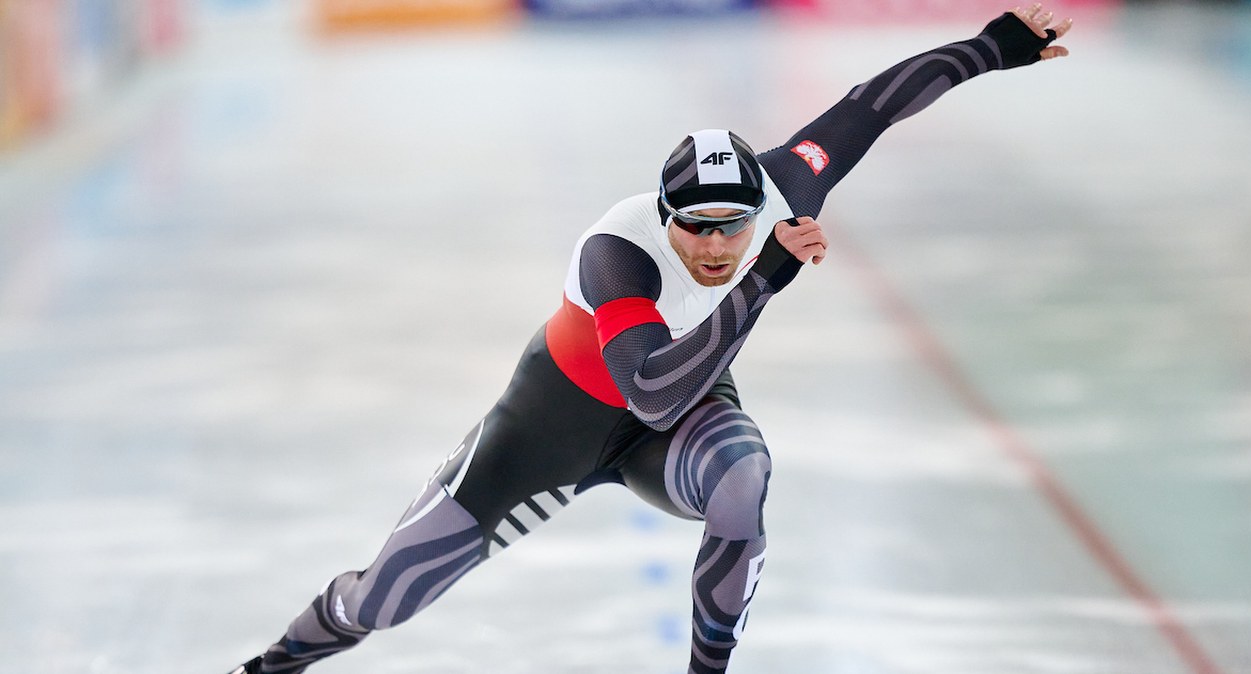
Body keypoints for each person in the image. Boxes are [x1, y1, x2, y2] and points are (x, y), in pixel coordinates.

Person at [228, 5, 1072, 673]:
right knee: (386, 598)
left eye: (734, 227)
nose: (716, 246)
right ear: (665, 216)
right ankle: (268, 667)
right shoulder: (617, 251)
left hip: (683, 408)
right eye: (696, 228)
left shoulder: (787, 187)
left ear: (762, 206)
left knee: (743, 475)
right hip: (551, 425)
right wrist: (765, 276)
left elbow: (876, 103)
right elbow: (651, 391)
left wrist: (993, 46)